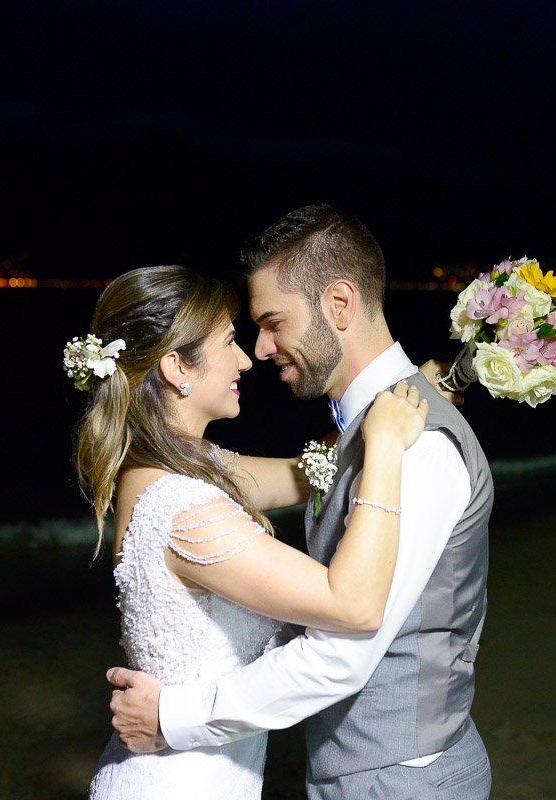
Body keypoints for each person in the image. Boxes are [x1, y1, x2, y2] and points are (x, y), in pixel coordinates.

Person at [108, 205, 495, 799]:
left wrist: (173, 716)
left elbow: (343, 656)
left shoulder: (415, 446)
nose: (258, 351)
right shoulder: (378, 434)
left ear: (339, 305)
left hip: (399, 781)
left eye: (271, 323)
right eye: (241, 335)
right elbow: (308, 476)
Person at [71, 265, 430, 800]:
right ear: (176, 368)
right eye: (229, 342)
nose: (246, 358)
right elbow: (352, 604)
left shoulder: (167, 467)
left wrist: (421, 386)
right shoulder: (184, 507)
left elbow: (308, 474)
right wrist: (384, 447)